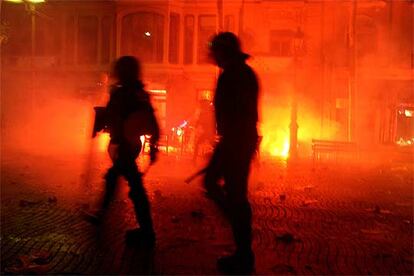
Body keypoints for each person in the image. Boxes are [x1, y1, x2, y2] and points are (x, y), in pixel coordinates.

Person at [204, 32, 259, 274]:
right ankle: (240, 233)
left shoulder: (235, 75)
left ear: (225, 52)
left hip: (236, 140)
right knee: (227, 190)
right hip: (237, 139)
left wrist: (230, 143)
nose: (213, 56)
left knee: (232, 193)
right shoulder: (241, 73)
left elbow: (237, 112)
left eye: (216, 52)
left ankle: (243, 248)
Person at [91, 56, 160, 248]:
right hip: (129, 144)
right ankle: (103, 214)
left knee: (128, 184)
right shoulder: (139, 93)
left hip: (124, 144)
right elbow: (152, 120)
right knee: (118, 180)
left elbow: (115, 117)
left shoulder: (124, 94)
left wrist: (100, 120)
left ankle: (146, 232)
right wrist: (155, 144)